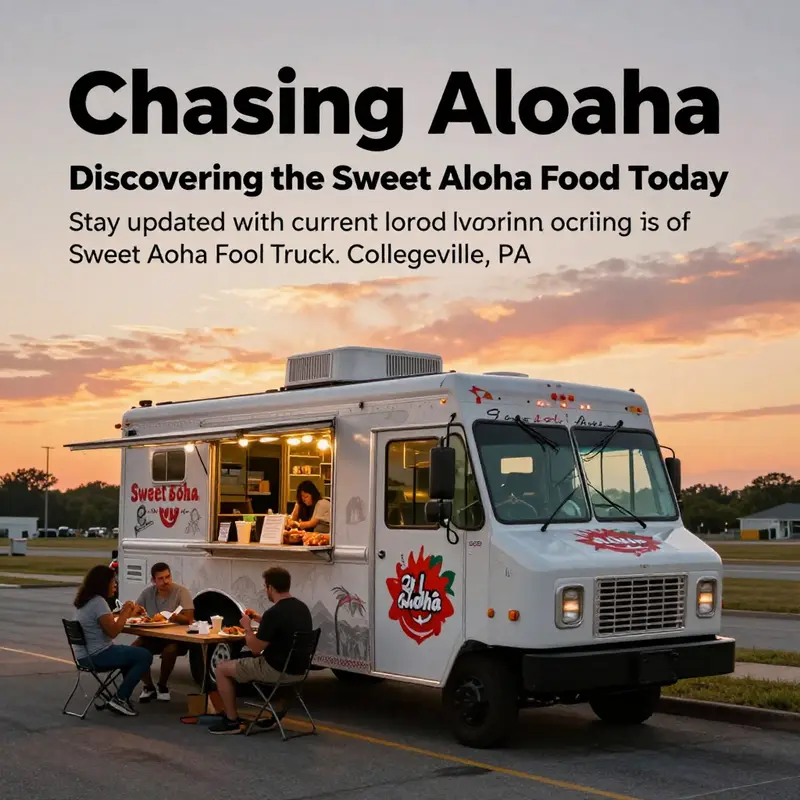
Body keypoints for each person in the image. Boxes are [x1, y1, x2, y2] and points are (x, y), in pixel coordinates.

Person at [208, 566, 312, 735]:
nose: (265, 591)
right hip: (299, 670)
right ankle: (271, 715)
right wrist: (259, 619)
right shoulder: (302, 608)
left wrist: (248, 627)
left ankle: (231, 720)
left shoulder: (275, 612)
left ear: (270, 587)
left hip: (275, 670)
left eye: (265, 587)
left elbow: (256, 649)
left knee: (221, 668)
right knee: (240, 660)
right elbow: (283, 626)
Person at [71, 564, 153, 717]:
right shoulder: (98, 602)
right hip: (98, 655)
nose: (115, 585)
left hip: (84, 656)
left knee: (131, 655)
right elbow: (113, 631)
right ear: (103, 583)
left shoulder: (85, 601)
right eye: (113, 582)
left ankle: (122, 696)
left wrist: (126, 614)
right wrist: (125, 611)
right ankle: (120, 698)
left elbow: (107, 622)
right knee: (144, 655)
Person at [130, 562, 195, 702]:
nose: (166, 581)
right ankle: (148, 686)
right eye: (161, 578)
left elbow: (189, 618)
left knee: (170, 650)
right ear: (153, 580)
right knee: (134, 649)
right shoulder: (148, 593)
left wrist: (175, 616)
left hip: (176, 638)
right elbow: (135, 612)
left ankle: (162, 685)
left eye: (168, 577)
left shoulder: (181, 591)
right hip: (153, 636)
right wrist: (135, 612)